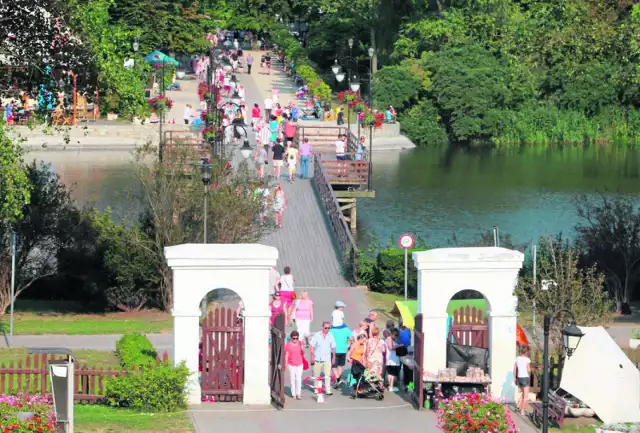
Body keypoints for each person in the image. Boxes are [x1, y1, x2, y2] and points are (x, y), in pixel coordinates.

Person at [310, 321, 336, 396]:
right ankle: (316, 388)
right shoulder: (317, 335)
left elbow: (333, 347)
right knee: (317, 375)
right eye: (326, 328)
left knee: (327, 375)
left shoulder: (330, 335)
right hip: (318, 358)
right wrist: (312, 357)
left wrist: (334, 357)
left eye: (329, 328)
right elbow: (312, 346)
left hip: (327, 359)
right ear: (322, 327)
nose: (327, 329)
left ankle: (328, 390)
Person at [330, 319, 352, 388]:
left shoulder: (332, 330)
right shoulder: (346, 329)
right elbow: (351, 338)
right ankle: (338, 380)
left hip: (334, 350)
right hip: (343, 350)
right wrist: (349, 344)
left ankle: (338, 378)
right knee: (340, 365)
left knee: (333, 366)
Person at [284, 330, 305, 400]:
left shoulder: (300, 343)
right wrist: (286, 363)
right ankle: (293, 394)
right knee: (292, 378)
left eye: (297, 338)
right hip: (291, 364)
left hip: (299, 363)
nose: (295, 340)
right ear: (291, 338)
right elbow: (286, 354)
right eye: (294, 338)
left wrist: (302, 347)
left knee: (298, 378)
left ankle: (298, 394)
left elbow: (303, 352)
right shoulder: (288, 344)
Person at [514, 346, 531, 415]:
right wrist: (529, 375)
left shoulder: (517, 358)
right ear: (526, 351)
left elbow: (514, 369)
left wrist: (515, 378)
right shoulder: (527, 360)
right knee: (525, 396)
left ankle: (518, 405)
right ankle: (522, 411)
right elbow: (529, 370)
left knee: (523, 393)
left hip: (519, 378)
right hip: (525, 378)